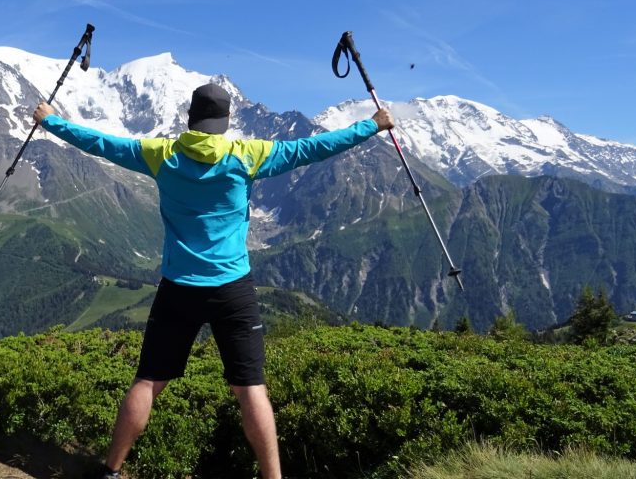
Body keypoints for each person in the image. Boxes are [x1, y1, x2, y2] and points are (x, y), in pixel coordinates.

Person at [33, 83, 394, 479]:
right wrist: (372, 126)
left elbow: (101, 143)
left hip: (178, 287)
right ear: (225, 122)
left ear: (190, 117)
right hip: (232, 288)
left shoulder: (161, 155)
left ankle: (111, 470)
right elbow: (315, 148)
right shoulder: (249, 155)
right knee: (251, 388)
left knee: (149, 380)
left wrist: (50, 122)